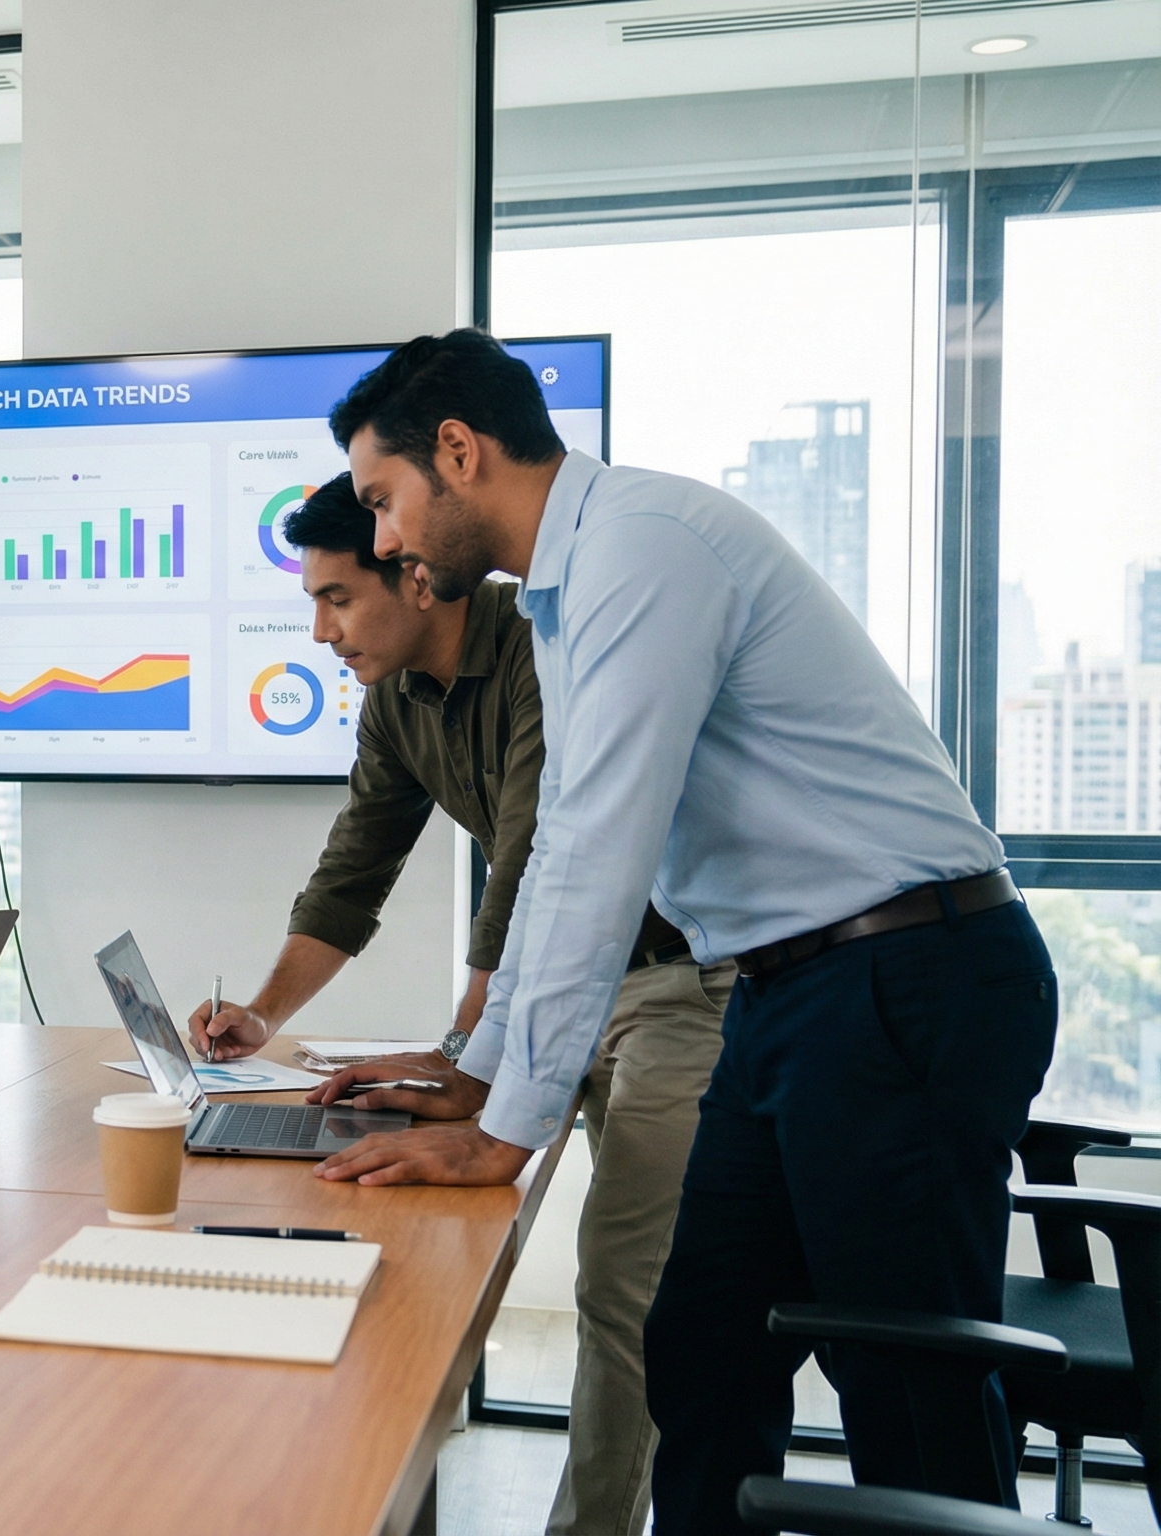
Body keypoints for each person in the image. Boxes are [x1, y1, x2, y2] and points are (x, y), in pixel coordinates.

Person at [306, 330, 1050, 1533]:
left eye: (385, 501)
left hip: (902, 977)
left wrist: (506, 1129)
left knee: (907, 1395)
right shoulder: (568, 587)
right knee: (698, 1352)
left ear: (457, 452)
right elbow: (550, 852)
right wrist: (480, 1070)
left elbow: (604, 841)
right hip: (783, 989)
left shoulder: (642, 552)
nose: (382, 536)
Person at [186, 473, 737, 1536]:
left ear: (417, 575)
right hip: (549, 990)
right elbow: (354, 870)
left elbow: (531, 858)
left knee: (625, 1292)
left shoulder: (539, 649)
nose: (319, 631)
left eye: (338, 598)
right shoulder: (396, 699)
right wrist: (261, 1016)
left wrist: (471, 1051)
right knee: (424, 1222)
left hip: (672, 986)